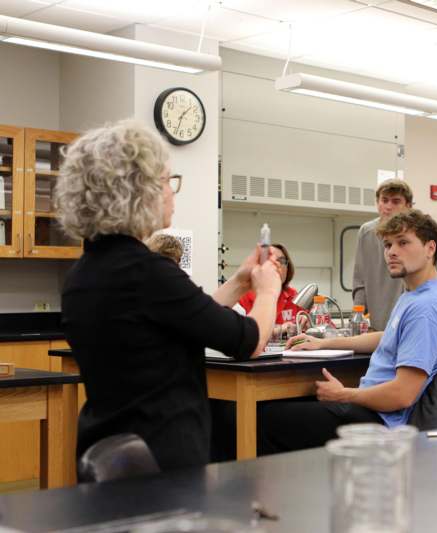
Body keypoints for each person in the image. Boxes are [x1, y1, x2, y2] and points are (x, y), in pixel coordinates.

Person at [55, 120, 282, 471]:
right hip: (165, 462)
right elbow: (247, 340)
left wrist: (240, 283)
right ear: (138, 191)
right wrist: (267, 292)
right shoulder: (147, 271)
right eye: (166, 181)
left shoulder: (84, 274)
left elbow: (188, 317)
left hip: (114, 453)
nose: (172, 192)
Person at [258, 209, 437, 453]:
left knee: (261, 419)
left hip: (383, 421)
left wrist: (343, 394)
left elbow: (402, 395)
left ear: (430, 248)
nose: (392, 252)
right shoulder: (421, 293)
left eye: (403, 242)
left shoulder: (425, 308)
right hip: (375, 408)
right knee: (283, 407)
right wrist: (323, 343)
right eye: (388, 244)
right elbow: (389, 337)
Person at [352, 179, 413, 330]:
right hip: (375, 324)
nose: (388, 206)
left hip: (408, 321)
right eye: (384, 200)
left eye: (396, 201)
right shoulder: (366, 232)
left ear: (408, 205)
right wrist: (358, 318)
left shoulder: (418, 234)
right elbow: (359, 281)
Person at [237, 243, 305, 334]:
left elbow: (311, 325)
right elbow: (240, 334)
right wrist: (279, 330)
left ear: (287, 268)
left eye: (281, 261)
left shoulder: (294, 296)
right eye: (269, 260)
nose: (277, 265)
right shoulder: (242, 298)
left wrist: (305, 321)